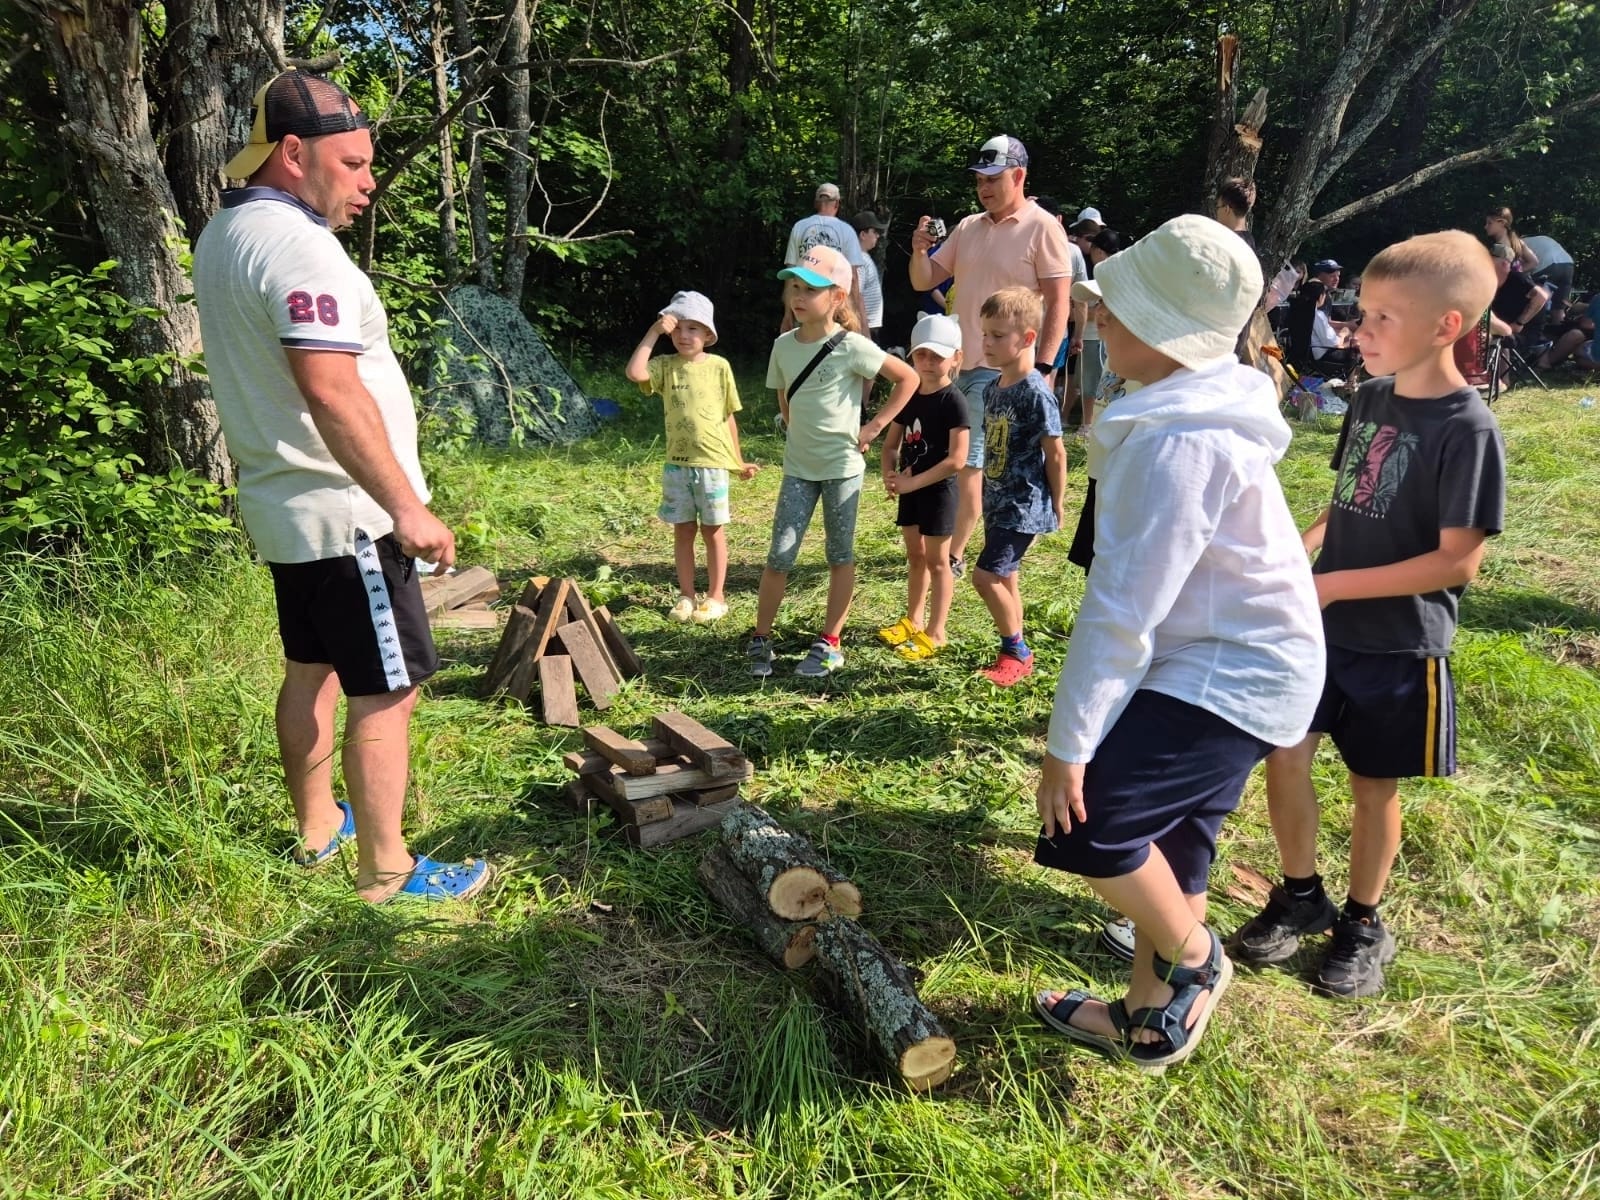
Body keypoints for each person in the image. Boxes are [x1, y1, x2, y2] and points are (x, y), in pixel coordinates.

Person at [1031, 215, 1325, 1068]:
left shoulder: (1181, 443)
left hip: (1237, 666)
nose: (1099, 321)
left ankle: (1196, 962)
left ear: (1167, 333)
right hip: (1215, 653)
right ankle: (1149, 1019)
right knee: (1175, 840)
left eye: (1116, 311)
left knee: (1091, 828)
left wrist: (1068, 745)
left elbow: (1122, 607)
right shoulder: (1173, 410)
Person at [192, 70, 490, 903]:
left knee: (309, 671)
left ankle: (321, 826)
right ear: (294, 154)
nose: (368, 183)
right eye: (354, 164)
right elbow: (330, 387)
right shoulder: (299, 247)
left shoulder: (227, 232)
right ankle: (387, 872)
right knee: (386, 693)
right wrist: (405, 507)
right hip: (349, 516)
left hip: (286, 508)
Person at [1230, 230, 1505, 999]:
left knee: (1370, 783)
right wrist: (1300, 550)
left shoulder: (1467, 428)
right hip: (1323, 624)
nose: (1361, 330)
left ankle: (1362, 920)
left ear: (1446, 326)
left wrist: (1335, 586)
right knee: (1285, 753)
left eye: (1383, 317)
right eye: (1362, 313)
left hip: (1399, 643)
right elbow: (1348, 497)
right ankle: (1299, 893)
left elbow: (1459, 561)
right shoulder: (1372, 399)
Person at [748, 245, 918, 677]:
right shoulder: (783, 347)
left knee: (839, 554)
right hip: (797, 471)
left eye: (812, 289)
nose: (799, 296)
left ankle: (829, 642)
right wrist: (793, 427)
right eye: (795, 287)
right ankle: (760, 638)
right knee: (779, 555)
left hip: (842, 470)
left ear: (837, 297)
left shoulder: (851, 347)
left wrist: (874, 427)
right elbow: (784, 396)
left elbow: (908, 378)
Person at [908, 135, 1072, 580]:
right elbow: (925, 281)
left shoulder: (1043, 226)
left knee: (971, 459)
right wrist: (920, 249)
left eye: (993, 178)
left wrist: (1044, 366)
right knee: (963, 455)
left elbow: (1060, 300)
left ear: (1019, 176)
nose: (984, 187)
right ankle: (959, 542)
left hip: (1003, 368)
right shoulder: (968, 226)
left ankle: (955, 553)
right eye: (979, 179)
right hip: (955, 363)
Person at [624, 290, 758, 625]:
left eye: (693, 328)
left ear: (708, 335)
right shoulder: (665, 366)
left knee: (713, 531)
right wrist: (654, 331)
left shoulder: (719, 367)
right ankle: (686, 595)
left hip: (712, 466)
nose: (684, 335)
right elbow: (635, 373)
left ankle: (716, 597)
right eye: (678, 328)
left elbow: (729, 417)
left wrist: (737, 462)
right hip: (677, 466)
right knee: (683, 530)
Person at [970, 286, 1066, 687]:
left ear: (1027, 338)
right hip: (997, 500)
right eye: (985, 334)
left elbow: (1056, 454)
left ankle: (1016, 652)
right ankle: (1014, 645)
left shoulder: (1035, 392)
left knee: (985, 576)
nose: (987, 343)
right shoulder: (994, 387)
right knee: (1006, 577)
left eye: (997, 335)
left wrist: (1058, 504)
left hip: (1023, 505)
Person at [877, 313, 971, 661]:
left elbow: (957, 460)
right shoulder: (909, 395)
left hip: (938, 493)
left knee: (938, 562)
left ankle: (937, 630)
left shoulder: (954, 401)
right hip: (909, 490)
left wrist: (911, 482)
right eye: (921, 355)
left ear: (956, 358)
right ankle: (913, 620)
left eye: (937, 356)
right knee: (915, 557)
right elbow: (890, 446)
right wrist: (889, 474)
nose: (928, 363)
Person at [784, 182, 870, 333]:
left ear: (816, 202)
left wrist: (787, 314)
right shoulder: (847, 230)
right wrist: (859, 318)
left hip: (803, 305)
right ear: (837, 203)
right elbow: (853, 278)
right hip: (836, 306)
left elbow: (791, 275)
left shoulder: (799, 227)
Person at [1487, 241, 1551, 343]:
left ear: (1504, 263)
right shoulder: (1490, 282)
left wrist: (1519, 323)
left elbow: (1541, 296)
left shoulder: (1517, 279)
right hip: (1501, 328)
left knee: (1494, 340)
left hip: (1525, 332)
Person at [851, 210, 889, 344]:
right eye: (875, 232)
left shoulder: (862, 257)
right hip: (864, 326)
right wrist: (865, 331)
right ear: (862, 234)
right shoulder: (858, 260)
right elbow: (856, 295)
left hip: (868, 325)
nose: (878, 236)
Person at [1521, 232, 1575, 316]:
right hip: (1568, 264)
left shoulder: (1519, 242)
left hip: (1547, 265)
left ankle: (1533, 323)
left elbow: (1521, 267)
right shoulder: (1544, 238)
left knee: (1537, 300)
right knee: (1558, 307)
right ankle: (1557, 326)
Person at [1484, 206, 1539, 272]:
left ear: (1502, 223)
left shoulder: (1498, 249)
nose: (1485, 227)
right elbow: (1534, 262)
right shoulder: (1518, 242)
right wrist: (1517, 272)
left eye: (1490, 223)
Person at [1214, 176, 1257, 249]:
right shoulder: (1249, 240)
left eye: (1218, 207)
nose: (1217, 212)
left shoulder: (1224, 242)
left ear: (1226, 209)